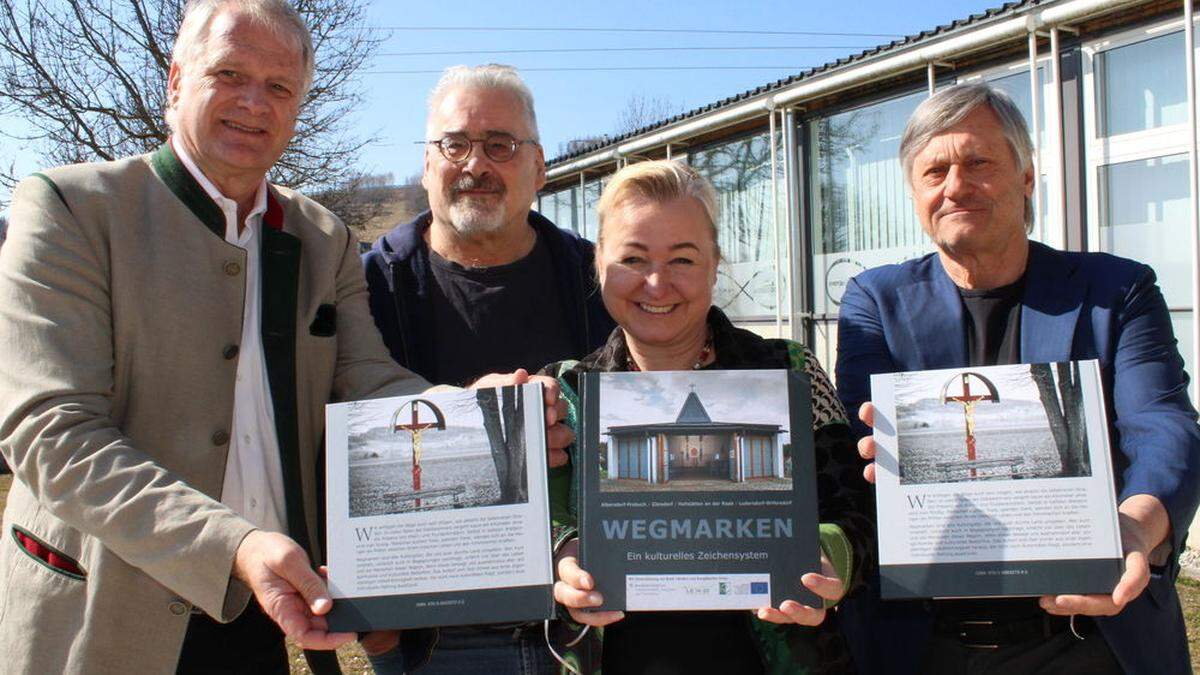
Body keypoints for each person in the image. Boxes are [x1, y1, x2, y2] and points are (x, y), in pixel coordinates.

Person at [0, 3, 567, 673]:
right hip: (100, 617)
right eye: (230, 74)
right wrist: (233, 545)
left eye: (278, 86)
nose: (253, 103)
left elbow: (368, 381)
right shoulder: (72, 209)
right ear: (176, 80)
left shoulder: (321, 238)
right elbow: (50, 432)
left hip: (260, 621)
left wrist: (476, 412)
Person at [836, 83, 1200, 674]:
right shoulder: (874, 301)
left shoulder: (1117, 292)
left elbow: (1161, 423)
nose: (955, 186)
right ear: (914, 192)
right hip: (922, 641)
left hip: (1087, 634)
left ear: (1027, 177)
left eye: (979, 163)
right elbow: (857, 443)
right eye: (935, 172)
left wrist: (1137, 525)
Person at [548, 160, 873, 674]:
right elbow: (545, 523)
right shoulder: (566, 391)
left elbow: (857, 511)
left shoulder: (789, 369)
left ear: (715, 264)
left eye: (682, 259)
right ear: (599, 264)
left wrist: (832, 556)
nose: (657, 284)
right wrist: (561, 559)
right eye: (633, 257)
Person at [359, 64, 614, 674]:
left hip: (584, 621)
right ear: (425, 165)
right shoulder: (367, 288)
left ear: (540, 168)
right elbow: (328, 432)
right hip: (431, 626)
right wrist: (473, 425)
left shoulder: (600, 283)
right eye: (455, 144)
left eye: (500, 145)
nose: (476, 165)